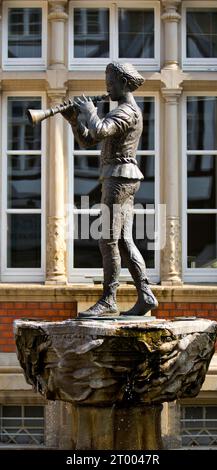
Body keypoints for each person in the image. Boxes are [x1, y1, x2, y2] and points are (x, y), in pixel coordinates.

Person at [62, 62, 158, 317]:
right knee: (123, 240)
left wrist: (90, 110)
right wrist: (74, 121)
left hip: (120, 178)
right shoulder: (119, 112)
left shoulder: (127, 112)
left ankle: (108, 299)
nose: (107, 87)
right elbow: (89, 140)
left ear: (124, 82)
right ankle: (146, 295)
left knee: (107, 239)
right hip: (117, 177)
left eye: (111, 82)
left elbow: (100, 128)